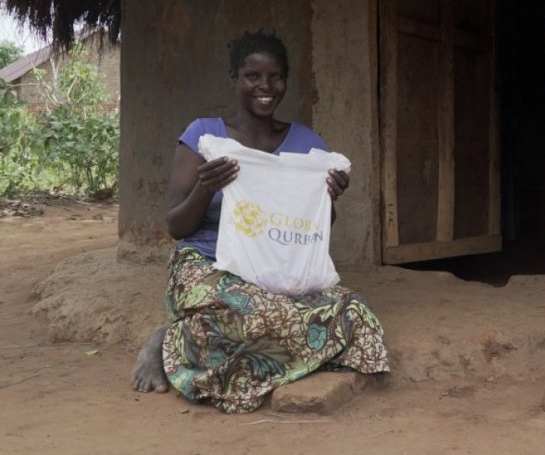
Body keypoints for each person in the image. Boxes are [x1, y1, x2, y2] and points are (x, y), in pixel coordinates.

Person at [131, 30, 389, 413]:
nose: (265, 87)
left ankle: (202, 340)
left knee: (356, 313)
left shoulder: (305, 142)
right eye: (253, 76)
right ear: (235, 79)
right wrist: (205, 188)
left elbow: (312, 231)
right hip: (208, 263)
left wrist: (327, 198)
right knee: (256, 316)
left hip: (276, 266)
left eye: (276, 77)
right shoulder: (204, 136)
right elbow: (175, 226)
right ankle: (171, 341)